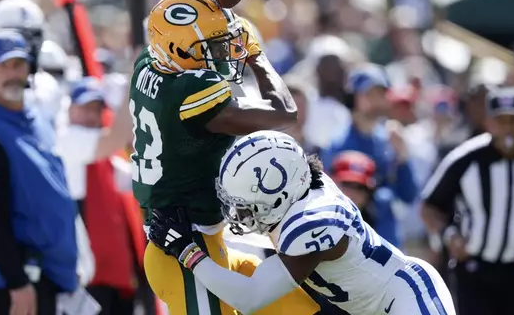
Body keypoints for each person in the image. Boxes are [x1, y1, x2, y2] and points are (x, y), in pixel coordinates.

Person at [130, 0, 319, 314]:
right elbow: (285, 114)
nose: (223, 52)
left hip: (205, 240)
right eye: (213, 46)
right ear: (178, 47)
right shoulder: (192, 92)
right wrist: (256, 56)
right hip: (184, 249)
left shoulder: (149, 62)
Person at [148, 130, 455, 315]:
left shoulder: (311, 224)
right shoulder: (299, 188)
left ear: (278, 197)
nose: (238, 214)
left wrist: (187, 251)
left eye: (245, 206)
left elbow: (250, 297)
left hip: (405, 298)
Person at [0, 30, 98, 315]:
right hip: (13, 286)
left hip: (47, 278)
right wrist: (17, 282)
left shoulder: (38, 120)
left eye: (18, 64)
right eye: (3, 65)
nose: (12, 73)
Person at [421, 87, 514, 315]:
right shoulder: (465, 158)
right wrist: (450, 237)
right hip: (475, 270)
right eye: (501, 120)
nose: (508, 128)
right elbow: (429, 206)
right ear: (488, 123)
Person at [56, 76, 137, 315]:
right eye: (86, 108)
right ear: (70, 108)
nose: (92, 115)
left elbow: (136, 180)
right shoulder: (67, 139)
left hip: (114, 274)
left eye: (97, 109)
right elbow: (113, 139)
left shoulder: (105, 155)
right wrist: (136, 82)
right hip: (85, 275)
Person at [320, 64, 417, 247]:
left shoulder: (391, 139)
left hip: (388, 243)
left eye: (380, 94)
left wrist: (403, 154)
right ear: (352, 98)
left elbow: (409, 194)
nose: (376, 100)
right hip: (350, 245)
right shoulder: (337, 144)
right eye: (369, 94)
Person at [330, 150, 377, 226]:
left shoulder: (375, 220)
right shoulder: (314, 216)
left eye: (360, 187)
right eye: (347, 184)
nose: (352, 193)